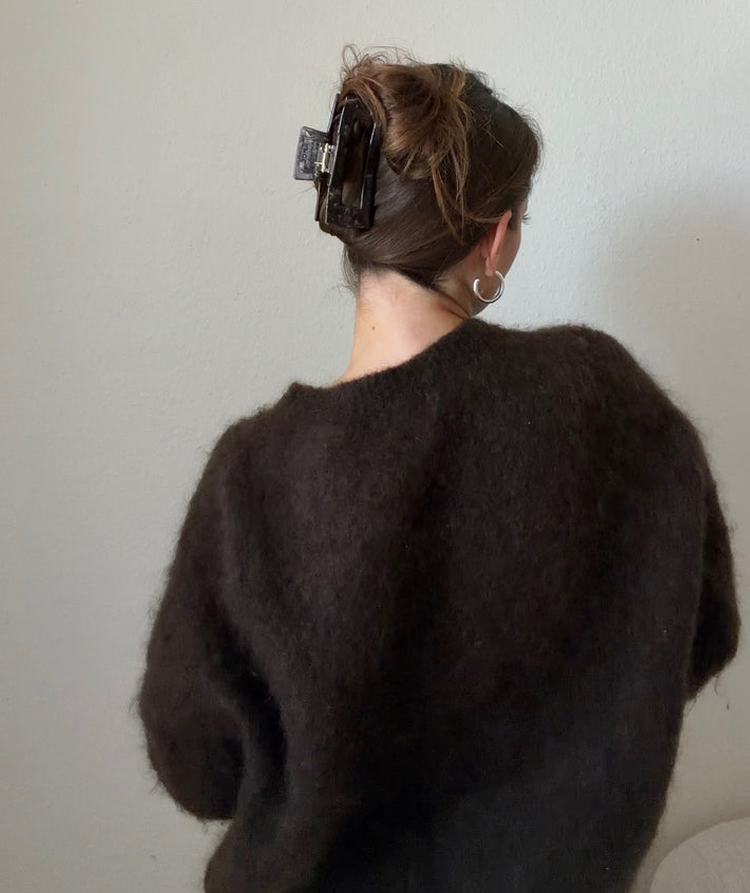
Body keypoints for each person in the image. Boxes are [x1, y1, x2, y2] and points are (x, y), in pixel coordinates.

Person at [135, 48, 741, 893]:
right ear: (496, 238)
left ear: (358, 234)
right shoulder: (607, 401)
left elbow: (198, 766)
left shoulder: (253, 478)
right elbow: (704, 631)